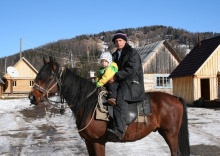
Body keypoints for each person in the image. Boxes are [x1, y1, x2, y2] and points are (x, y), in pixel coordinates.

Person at [107, 31, 145, 141]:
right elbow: (108, 69)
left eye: (120, 40)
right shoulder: (114, 55)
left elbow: (131, 70)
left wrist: (115, 77)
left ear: (125, 41)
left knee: (120, 99)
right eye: (116, 41)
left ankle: (119, 130)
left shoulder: (132, 53)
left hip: (132, 83)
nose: (118, 43)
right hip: (120, 82)